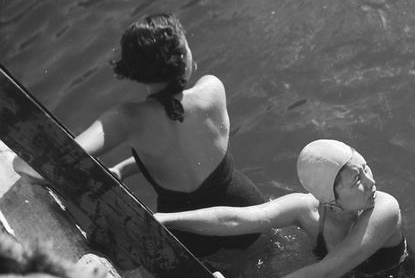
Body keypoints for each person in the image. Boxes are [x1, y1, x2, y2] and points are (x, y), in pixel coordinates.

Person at [13, 13, 265, 258]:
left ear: (133, 69)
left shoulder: (126, 119)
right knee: (268, 258)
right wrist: (123, 169)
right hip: (243, 206)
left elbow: (38, 165)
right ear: (182, 59)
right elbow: (189, 150)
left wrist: (18, 162)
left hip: (183, 230)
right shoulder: (212, 89)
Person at [155, 139, 415, 278]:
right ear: (329, 199)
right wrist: (166, 219)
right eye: (356, 180)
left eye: (366, 169)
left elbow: (322, 273)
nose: (371, 182)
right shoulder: (305, 210)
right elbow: (237, 218)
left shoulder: (384, 209)